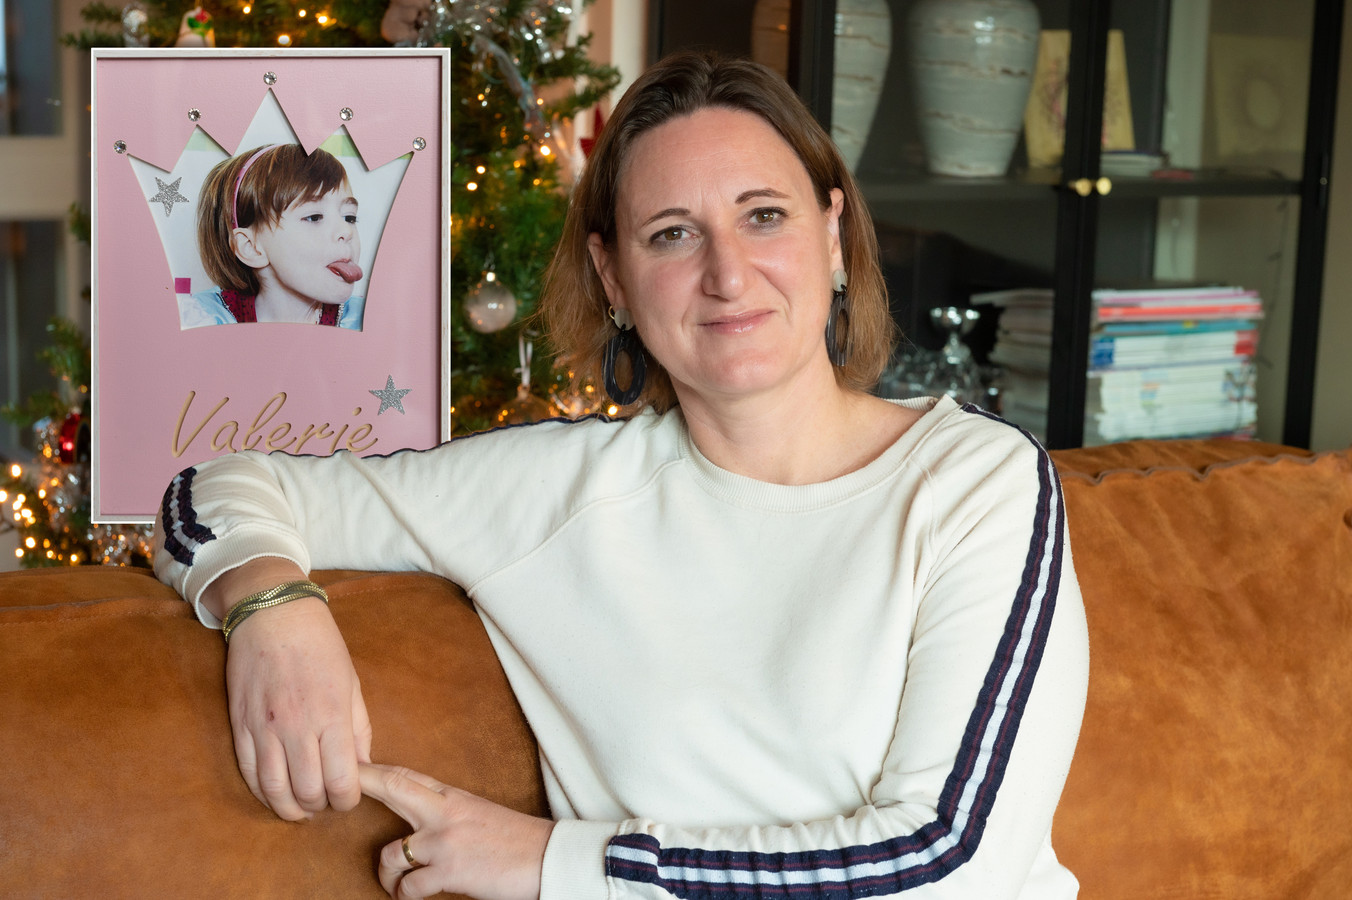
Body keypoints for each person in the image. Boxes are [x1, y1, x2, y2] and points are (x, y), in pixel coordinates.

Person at [154, 51, 1089, 900]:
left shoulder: (975, 483)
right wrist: (272, 609)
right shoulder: (552, 493)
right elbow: (211, 487)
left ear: (833, 234)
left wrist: (553, 862)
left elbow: (951, 866)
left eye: (764, 216)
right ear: (612, 279)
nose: (729, 274)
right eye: (672, 234)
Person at [185, 143, 366, 329]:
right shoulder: (203, 319)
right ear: (251, 247)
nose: (346, 231)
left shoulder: (367, 319)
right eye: (314, 217)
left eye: (349, 218)